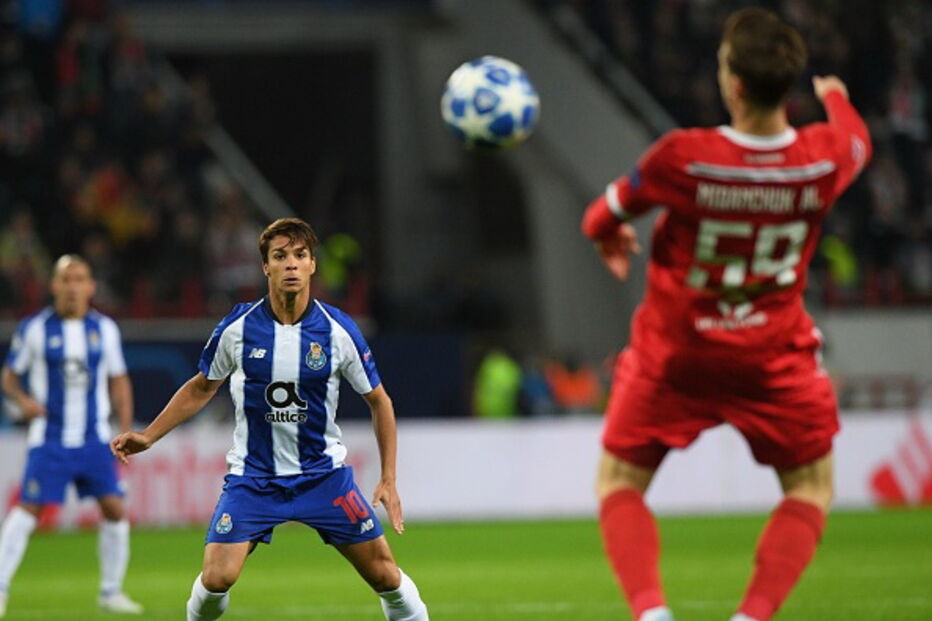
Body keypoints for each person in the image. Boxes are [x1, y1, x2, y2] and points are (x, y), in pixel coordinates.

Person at [581, 9, 871, 621]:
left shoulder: (683, 158)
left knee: (619, 483)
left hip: (676, 355)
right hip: (772, 356)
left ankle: (652, 614)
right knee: (811, 487)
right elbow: (856, 140)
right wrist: (837, 98)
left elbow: (599, 217)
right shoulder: (824, 158)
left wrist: (608, 234)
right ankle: (751, 616)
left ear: (734, 85)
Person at [110, 217, 429, 621]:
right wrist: (149, 436)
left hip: (322, 477)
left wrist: (388, 477)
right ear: (266, 266)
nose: (291, 264)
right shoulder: (238, 328)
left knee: (384, 574)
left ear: (312, 264)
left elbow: (379, 401)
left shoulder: (338, 331)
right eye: (280, 256)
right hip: (254, 478)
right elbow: (201, 387)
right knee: (217, 578)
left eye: (300, 255)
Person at [0, 255, 143, 617]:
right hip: (49, 438)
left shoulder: (105, 329)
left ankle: (111, 592)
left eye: (79, 279)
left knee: (114, 508)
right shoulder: (35, 328)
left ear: (90, 287)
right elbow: (9, 377)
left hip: (94, 439)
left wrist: (125, 429)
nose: (72, 287)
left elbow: (119, 380)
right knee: (28, 509)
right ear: (54, 286)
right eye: (66, 279)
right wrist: (23, 401)